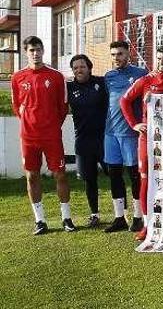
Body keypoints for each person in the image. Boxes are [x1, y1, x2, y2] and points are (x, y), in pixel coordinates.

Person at [12, 36, 72, 234]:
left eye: (38, 49)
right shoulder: (17, 77)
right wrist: (30, 123)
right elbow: (16, 106)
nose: (35, 53)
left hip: (52, 136)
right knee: (32, 176)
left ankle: (66, 218)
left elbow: (63, 107)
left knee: (60, 175)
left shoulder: (56, 76)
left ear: (43, 51)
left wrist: (52, 125)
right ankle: (40, 221)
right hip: (28, 137)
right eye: (31, 50)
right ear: (26, 52)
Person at [121, 44, 163, 239]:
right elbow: (124, 101)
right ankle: (147, 224)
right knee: (145, 179)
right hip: (147, 138)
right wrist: (134, 124)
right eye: (159, 58)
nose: (162, 62)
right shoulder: (145, 80)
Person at [103, 40, 148, 233]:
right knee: (114, 174)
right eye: (113, 55)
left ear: (128, 54)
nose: (116, 58)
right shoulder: (109, 76)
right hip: (110, 133)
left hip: (130, 133)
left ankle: (138, 217)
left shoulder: (140, 74)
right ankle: (119, 217)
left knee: (134, 175)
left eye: (120, 54)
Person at [67, 53, 108, 228]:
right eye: (75, 68)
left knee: (114, 176)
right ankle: (94, 214)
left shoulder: (101, 82)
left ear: (89, 67)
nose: (79, 70)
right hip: (83, 142)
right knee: (90, 180)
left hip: (105, 139)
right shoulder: (68, 88)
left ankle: (123, 213)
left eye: (82, 66)